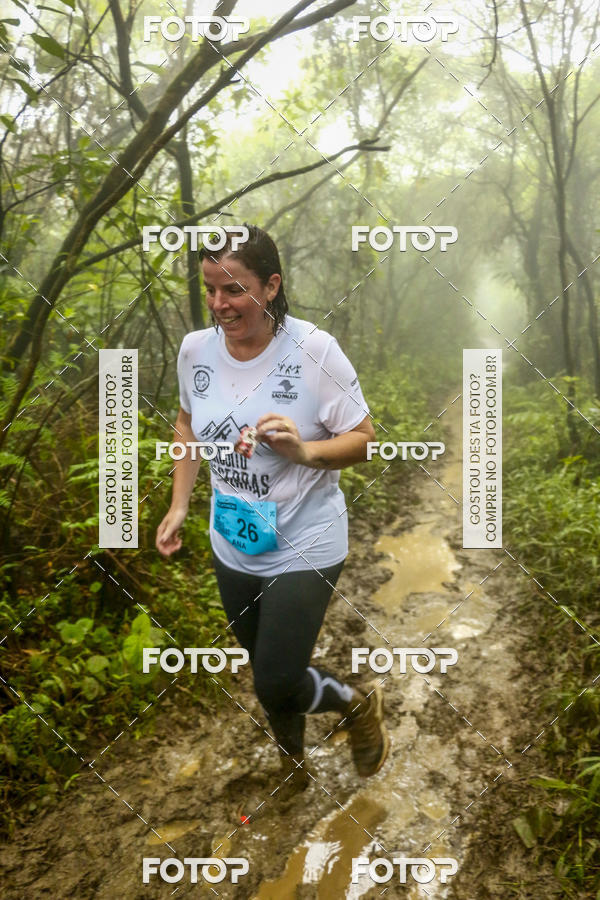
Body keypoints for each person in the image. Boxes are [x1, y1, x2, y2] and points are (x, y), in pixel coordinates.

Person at [155, 225, 389, 799]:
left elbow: (362, 439)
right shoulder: (194, 350)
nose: (218, 305)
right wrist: (181, 502)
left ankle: (354, 705)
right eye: (209, 289)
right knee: (268, 675)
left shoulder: (314, 351)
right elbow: (187, 423)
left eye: (232, 290)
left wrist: (305, 450)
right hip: (233, 540)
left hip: (306, 537)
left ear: (272, 284)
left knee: (279, 675)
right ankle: (294, 768)